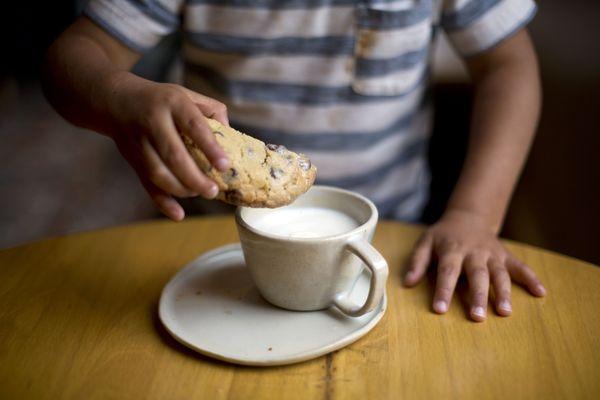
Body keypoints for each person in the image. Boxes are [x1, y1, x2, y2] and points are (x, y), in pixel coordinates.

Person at [42, 0, 546, 322]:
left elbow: (508, 63)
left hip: (389, 248)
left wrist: (475, 215)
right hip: (207, 245)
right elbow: (71, 56)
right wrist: (116, 97)